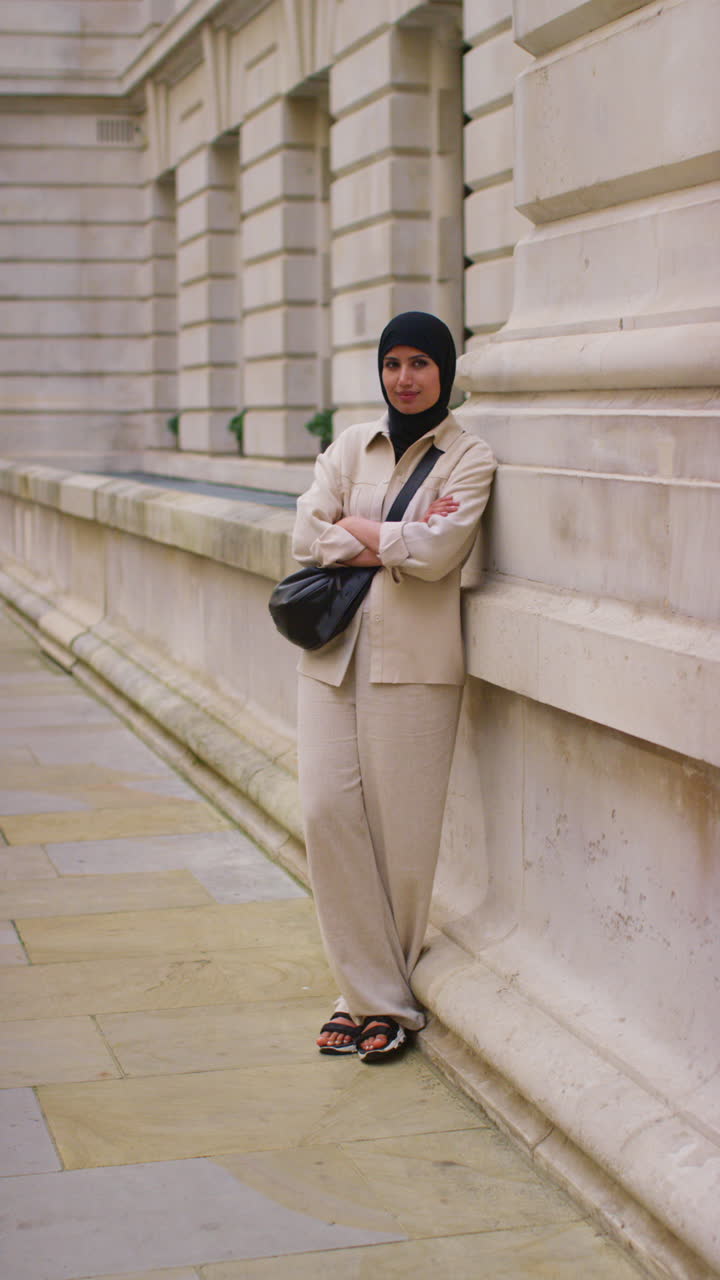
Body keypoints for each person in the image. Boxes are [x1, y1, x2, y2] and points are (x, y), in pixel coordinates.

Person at [291, 311, 496, 1061]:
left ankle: (372, 1003)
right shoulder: (351, 446)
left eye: (420, 363)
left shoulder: (467, 458)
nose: (405, 378)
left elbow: (440, 552)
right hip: (331, 657)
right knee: (324, 813)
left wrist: (362, 531)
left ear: (444, 370)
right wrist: (391, 543)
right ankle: (371, 994)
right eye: (393, 364)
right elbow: (307, 535)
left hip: (415, 666)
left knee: (402, 842)